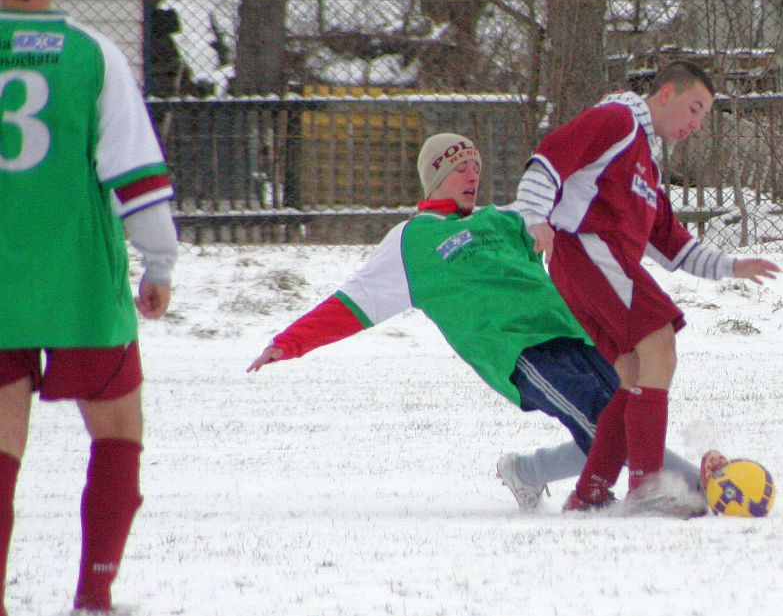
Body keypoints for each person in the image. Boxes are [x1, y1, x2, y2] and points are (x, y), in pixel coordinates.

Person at [247, 133, 706, 513]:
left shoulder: (505, 219)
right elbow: (352, 303)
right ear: (435, 177)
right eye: (460, 168)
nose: (472, 176)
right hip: (519, 352)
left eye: (477, 168)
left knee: (617, 416)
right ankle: (688, 487)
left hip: (576, 332)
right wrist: (289, 343)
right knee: (600, 419)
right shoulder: (412, 240)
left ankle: (527, 472)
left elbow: (569, 219)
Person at [0, 0, 178, 614]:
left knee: (2, 448)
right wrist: (158, 264)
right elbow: (135, 176)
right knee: (118, 433)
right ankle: (94, 593)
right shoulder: (92, 55)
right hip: (78, 285)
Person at [514, 60, 781, 510]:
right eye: (694, 109)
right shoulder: (618, 121)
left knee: (634, 374)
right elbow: (550, 156)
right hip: (588, 253)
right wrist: (533, 217)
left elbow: (670, 244)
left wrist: (730, 266)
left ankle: (589, 495)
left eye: (703, 117)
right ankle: (648, 490)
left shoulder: (648, 168)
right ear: (666, 94)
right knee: (660, 345)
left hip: (596, 268)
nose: (695, 124)